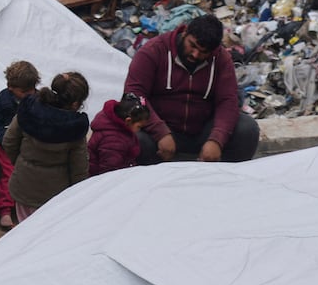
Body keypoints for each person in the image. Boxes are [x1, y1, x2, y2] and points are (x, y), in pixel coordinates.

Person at [124, 15, 260, 164]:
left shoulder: (221, 60)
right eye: (192, 46)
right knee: (134, 138)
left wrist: (217, 139)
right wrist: (160, 131)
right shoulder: (153, 51)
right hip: (159, 132)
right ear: (185, 32)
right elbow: (134, 95)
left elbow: (227, 101)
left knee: (247, 129)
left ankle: (223, 180)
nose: (195, 55)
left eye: (203, 52)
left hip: (201, 132)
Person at [1, 71, 90, 223]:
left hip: (24, 186)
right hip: (56, 194)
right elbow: (79, 169)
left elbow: (9, 141)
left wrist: (22, 163)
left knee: (25, 228)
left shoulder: (29, 109)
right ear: (75, 103)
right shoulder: (75, 127)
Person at [0, 60, 41, 231]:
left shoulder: (39, 100)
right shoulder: (3, 101)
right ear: (11, 87)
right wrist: (6, 141)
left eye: (31, 90)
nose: (29, 94)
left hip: (32, 145)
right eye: (24, 91)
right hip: (8, 147)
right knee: (10, 173)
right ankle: (5, 208)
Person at [89, 92, 151, 176]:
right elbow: (109, 171)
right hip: (106, 180)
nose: (139, 131)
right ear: (128, 121)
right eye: (139, 127)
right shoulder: (113, 140)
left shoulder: (122, 132)